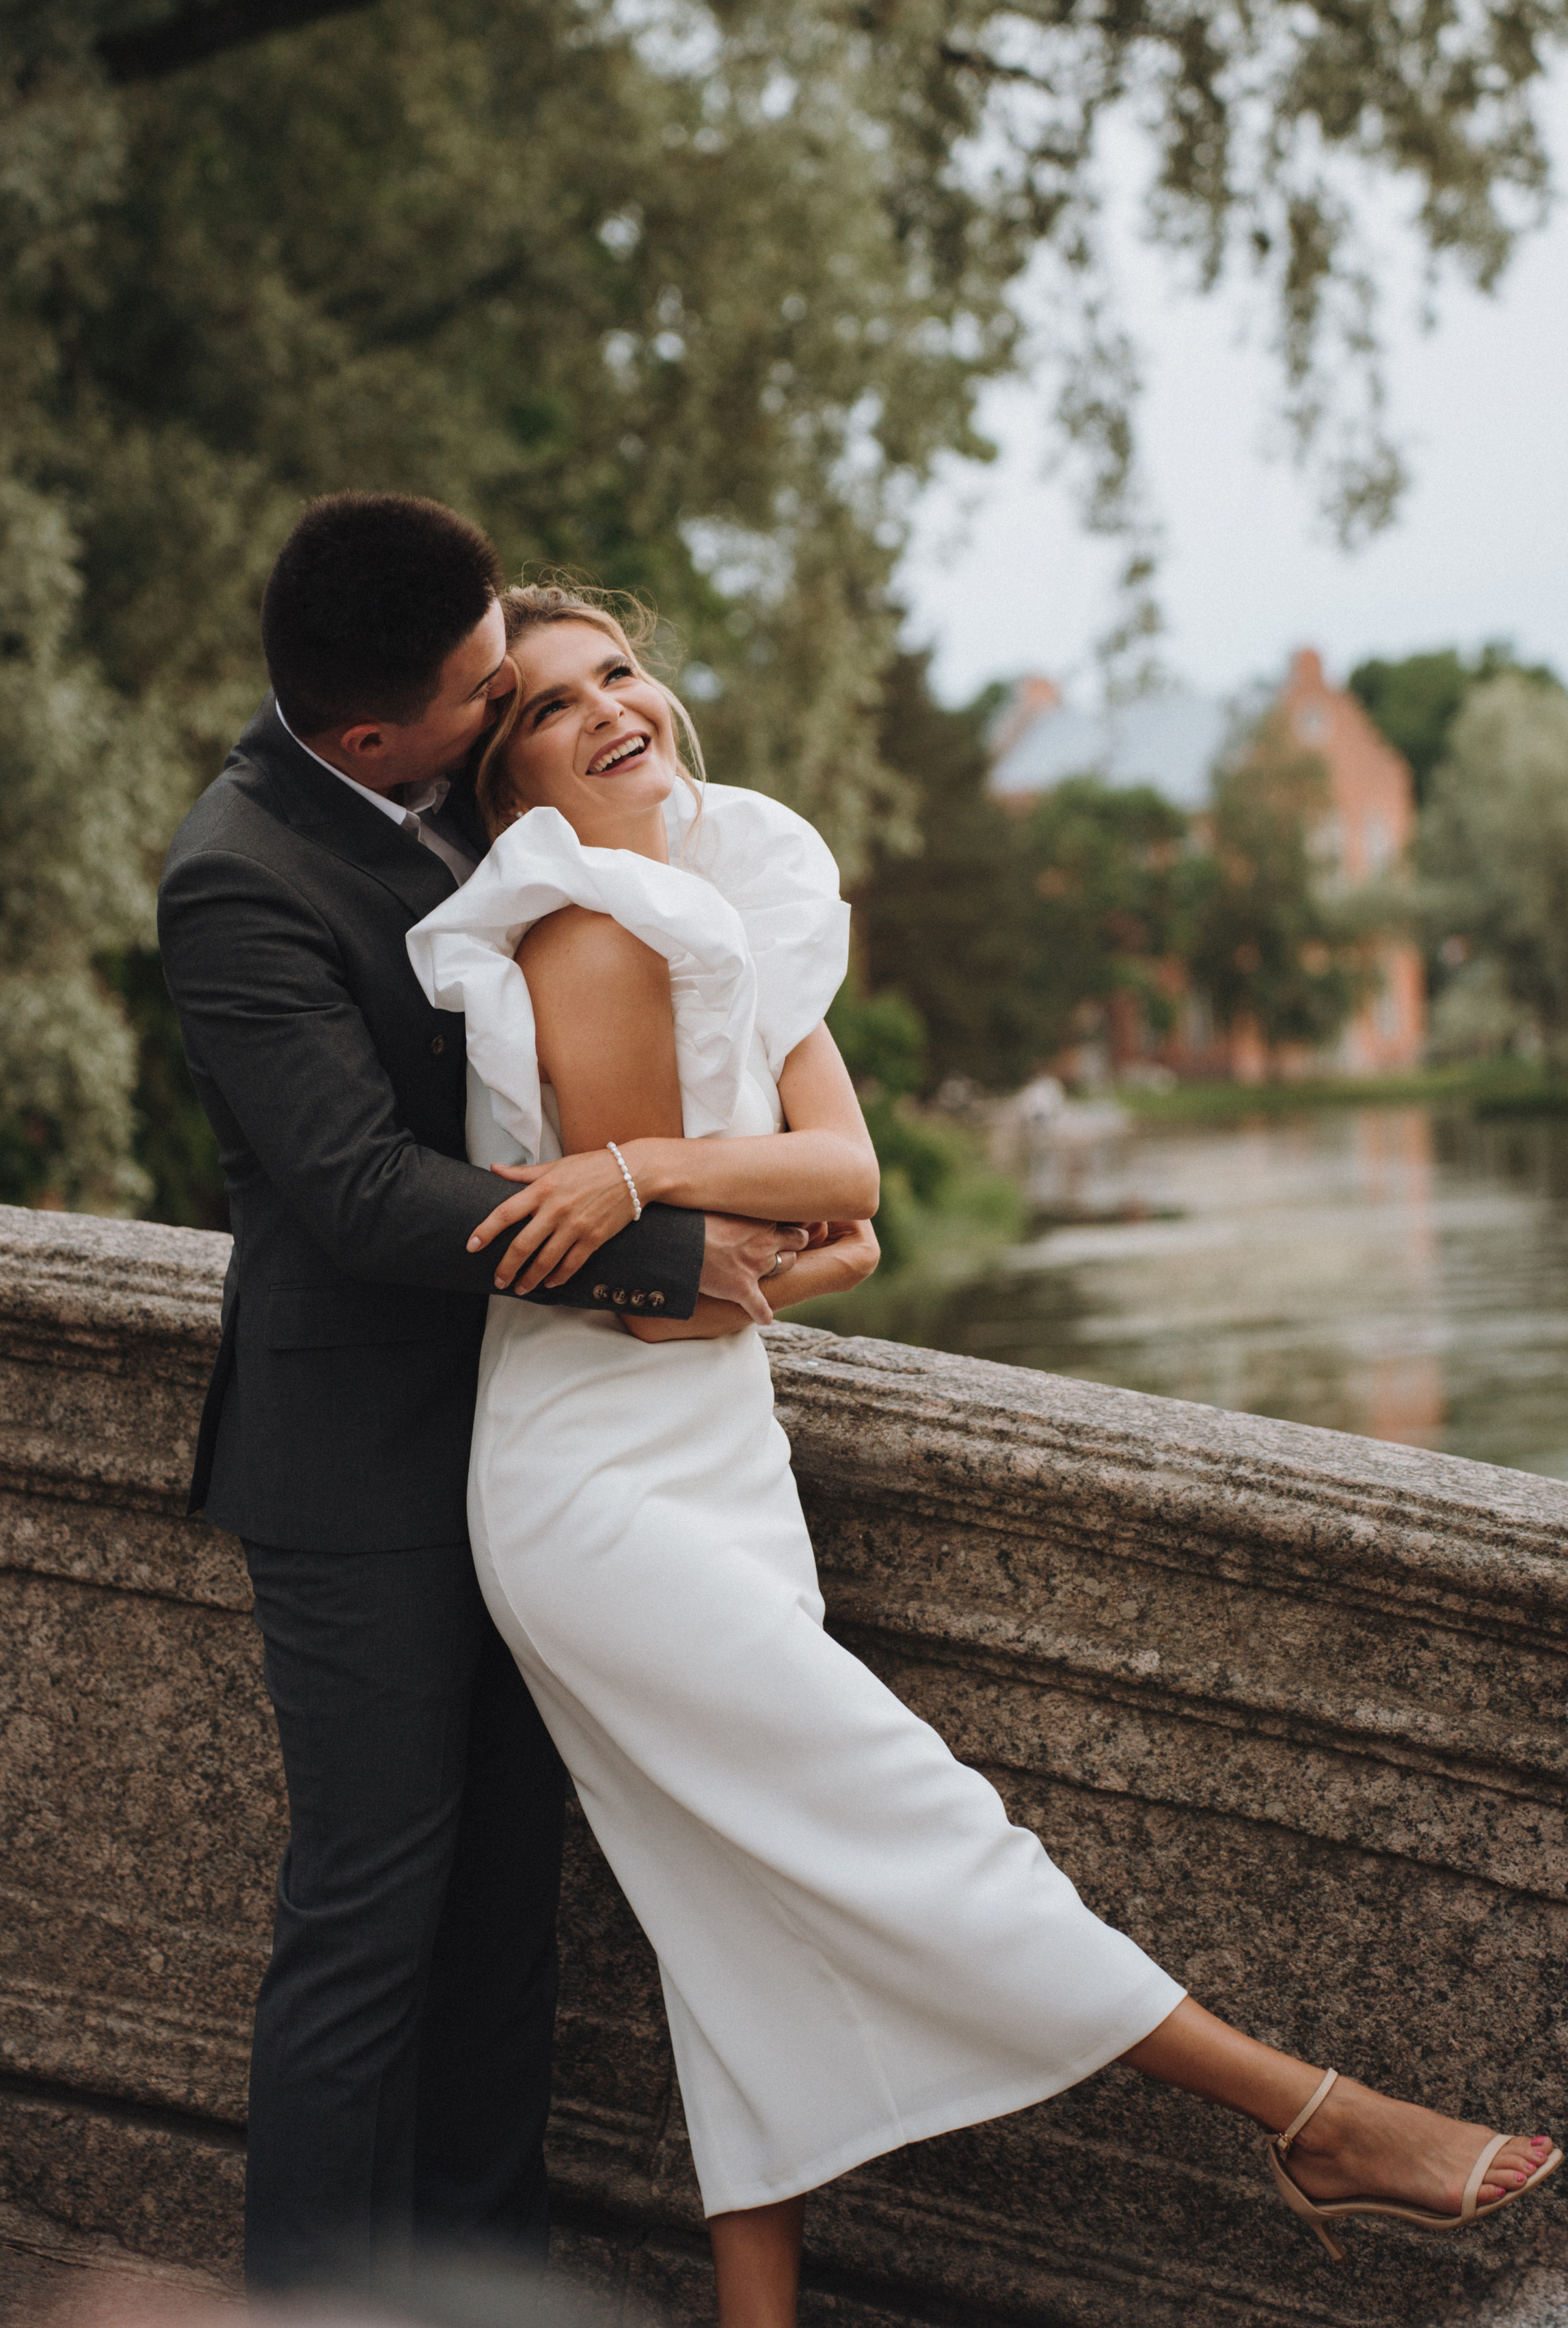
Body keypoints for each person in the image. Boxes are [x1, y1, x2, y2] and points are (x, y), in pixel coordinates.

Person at [407, 580, 1559, 2328]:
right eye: (550, 708)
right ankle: (1308, 2115)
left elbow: (851, 1191)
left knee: (728, 1927)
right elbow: (661, 1300)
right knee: (919, 1825)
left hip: (721, 1455)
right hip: (596, 1489)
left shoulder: (733, 894)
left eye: (617, 673)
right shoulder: (582, 930)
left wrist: (653, 1180)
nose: (607, 710)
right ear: (508, 787)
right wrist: (712, 1220)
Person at [156, 496, 805, 2294]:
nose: (509, 697)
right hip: (359, 1465)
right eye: (481, 691)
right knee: (369, 1921)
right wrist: (656, 1255)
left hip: (539, 1447)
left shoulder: (463, 789)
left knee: (507, 1915)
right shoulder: (238, 877)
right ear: (375, 736)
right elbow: (360, 1193)